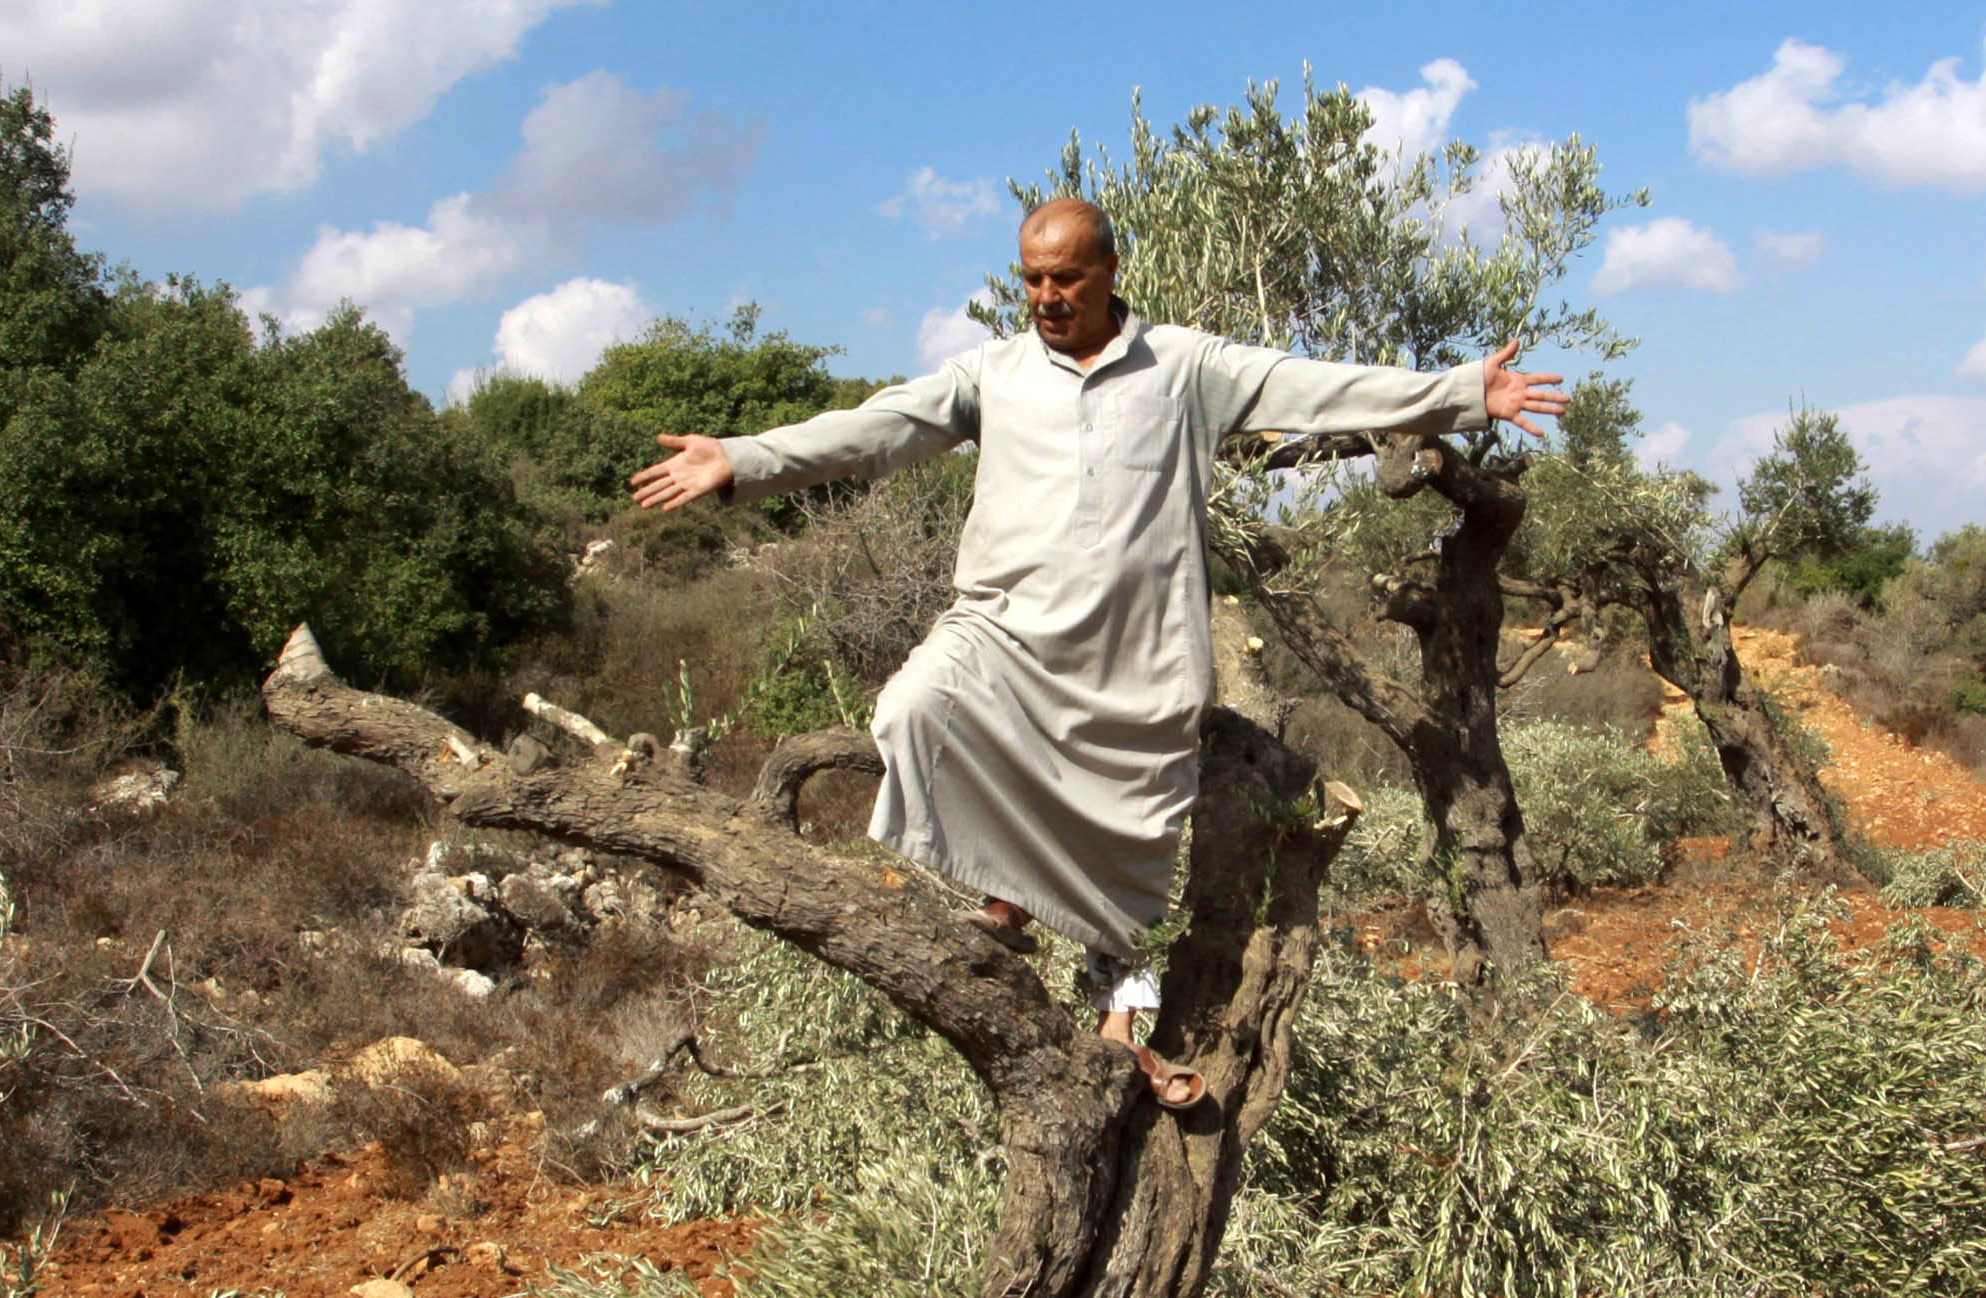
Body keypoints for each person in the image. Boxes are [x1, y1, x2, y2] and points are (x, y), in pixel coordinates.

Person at [630, 198, 1569, 1103]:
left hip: (1138, 655)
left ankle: (1115, 1017)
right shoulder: (991, 374)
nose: (1046, 297)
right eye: (1032, 279)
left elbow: (1311, 385)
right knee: (914, 711)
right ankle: (1008, 902)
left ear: (1111, 271)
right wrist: (742, 458)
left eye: (1065, 278)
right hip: (1003, 631)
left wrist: (1458, 395)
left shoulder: (1184, 366)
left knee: (1124, 853)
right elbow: (877, 428)